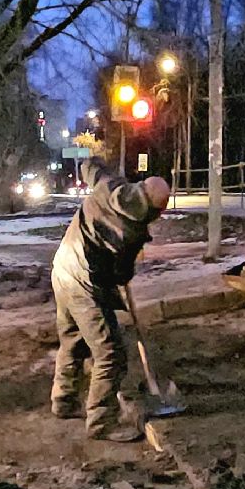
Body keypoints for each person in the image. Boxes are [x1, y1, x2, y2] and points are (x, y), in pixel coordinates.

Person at [50, 158, 170, 442]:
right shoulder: (131, 231)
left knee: (73, 340)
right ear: (155, 210)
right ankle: (101, 423)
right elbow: (121, 274)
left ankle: (63, 401)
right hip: (83, 283)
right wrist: (123, 273)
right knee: (110, 352)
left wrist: (99, 160)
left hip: (62, 268)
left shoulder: (109, 186)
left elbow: (89, 166)